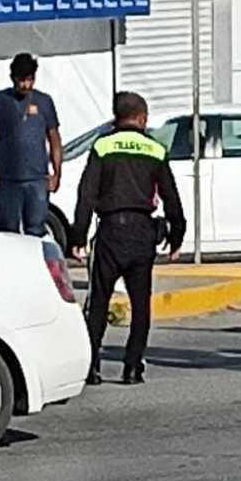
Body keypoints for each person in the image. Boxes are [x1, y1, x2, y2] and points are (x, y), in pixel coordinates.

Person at [71, 92, 186, 386]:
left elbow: (87, 194)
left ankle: (91, 367)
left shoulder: (103, 146)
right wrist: (176, 235)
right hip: (141, 233)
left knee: (98, 302)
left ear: (115, 118)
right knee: (140, 304)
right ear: (143, 118)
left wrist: (78, 236)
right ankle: (133, 368)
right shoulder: (155, 150)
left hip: (110, 231)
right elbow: (171, 197)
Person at [0, 53, 62, 237]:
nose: (26, 85)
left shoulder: (44, 101)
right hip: (7, 179)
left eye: (30, 80)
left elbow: (54, 137)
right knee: (9, 231)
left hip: (37, 178)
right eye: (21, 80)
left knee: (36, 229)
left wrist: (57, 173)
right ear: (13, 78)